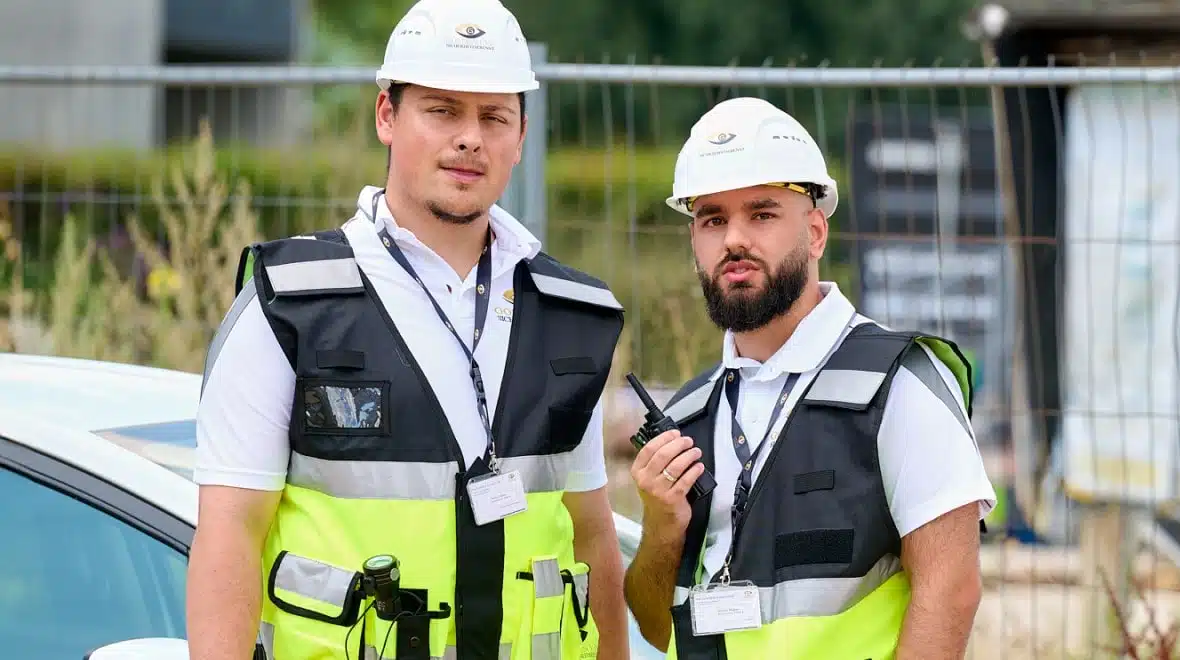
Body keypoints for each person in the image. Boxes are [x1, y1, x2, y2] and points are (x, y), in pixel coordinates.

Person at [185, 1, 632, 658]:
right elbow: (229, 537)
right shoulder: (288, 309)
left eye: (493, 116)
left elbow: (593, 540)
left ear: (521, 135)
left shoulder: (569, 317)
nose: (470, 138)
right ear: (386, 116)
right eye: (443, 110)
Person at [621, 97, 996, 659]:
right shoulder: (687, 414)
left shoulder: (901, 383)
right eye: (713, 219)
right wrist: (661, 528)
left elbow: (952, 591)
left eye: (762, 214)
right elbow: (653, 627)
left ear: (816, 233)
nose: (734, 241)